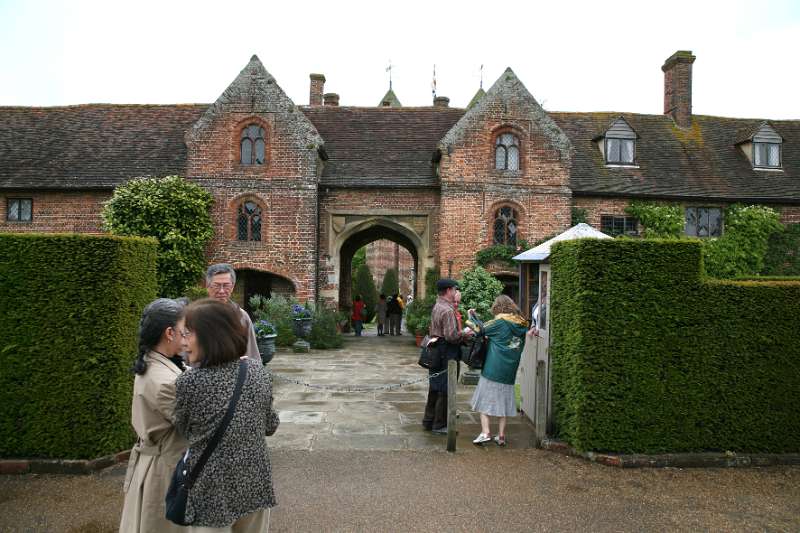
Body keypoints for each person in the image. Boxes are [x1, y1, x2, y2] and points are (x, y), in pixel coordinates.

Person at [175, 298, 279, 531]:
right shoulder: (257, 372)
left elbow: (183, 430)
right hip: (254, 478)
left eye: (188, 334)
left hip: (212, 488)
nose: (183, 343)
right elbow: (271, 425)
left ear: (210, 336)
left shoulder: (190, 381)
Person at [120, 298, 188, 533]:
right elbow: (198, 424)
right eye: (183, 332)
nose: (186, 338)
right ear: (169, 333)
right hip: (164, 471)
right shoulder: (165, 381)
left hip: (158, 462)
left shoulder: (157, 361)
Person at [470, 295, 528, 447]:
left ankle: (486, 432)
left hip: (493, 368)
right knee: (503, 403)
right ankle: (501, 436)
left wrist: (472, 316)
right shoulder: (521, 323)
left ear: (498, 307)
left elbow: (479, 330)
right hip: (509, 370)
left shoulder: (500, 321)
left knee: (483, 401)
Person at [422, 279, 472, 434]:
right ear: (449, 290)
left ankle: (429, 420)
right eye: (455, 289)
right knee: (446, 389)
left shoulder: (438, 305)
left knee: (435, 387)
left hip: (436, 350)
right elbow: (451, 336)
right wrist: (465, 333)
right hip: (446, 351)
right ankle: (440, 424)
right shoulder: (447, 310)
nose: (456, 292)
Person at [206, 263, 261, 363]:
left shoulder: (242, 317)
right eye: (216, 286)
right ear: (208, 286)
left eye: (226, 285)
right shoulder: (196, 317)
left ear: (232, 287)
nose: (221, 291)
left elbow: (253, 355)